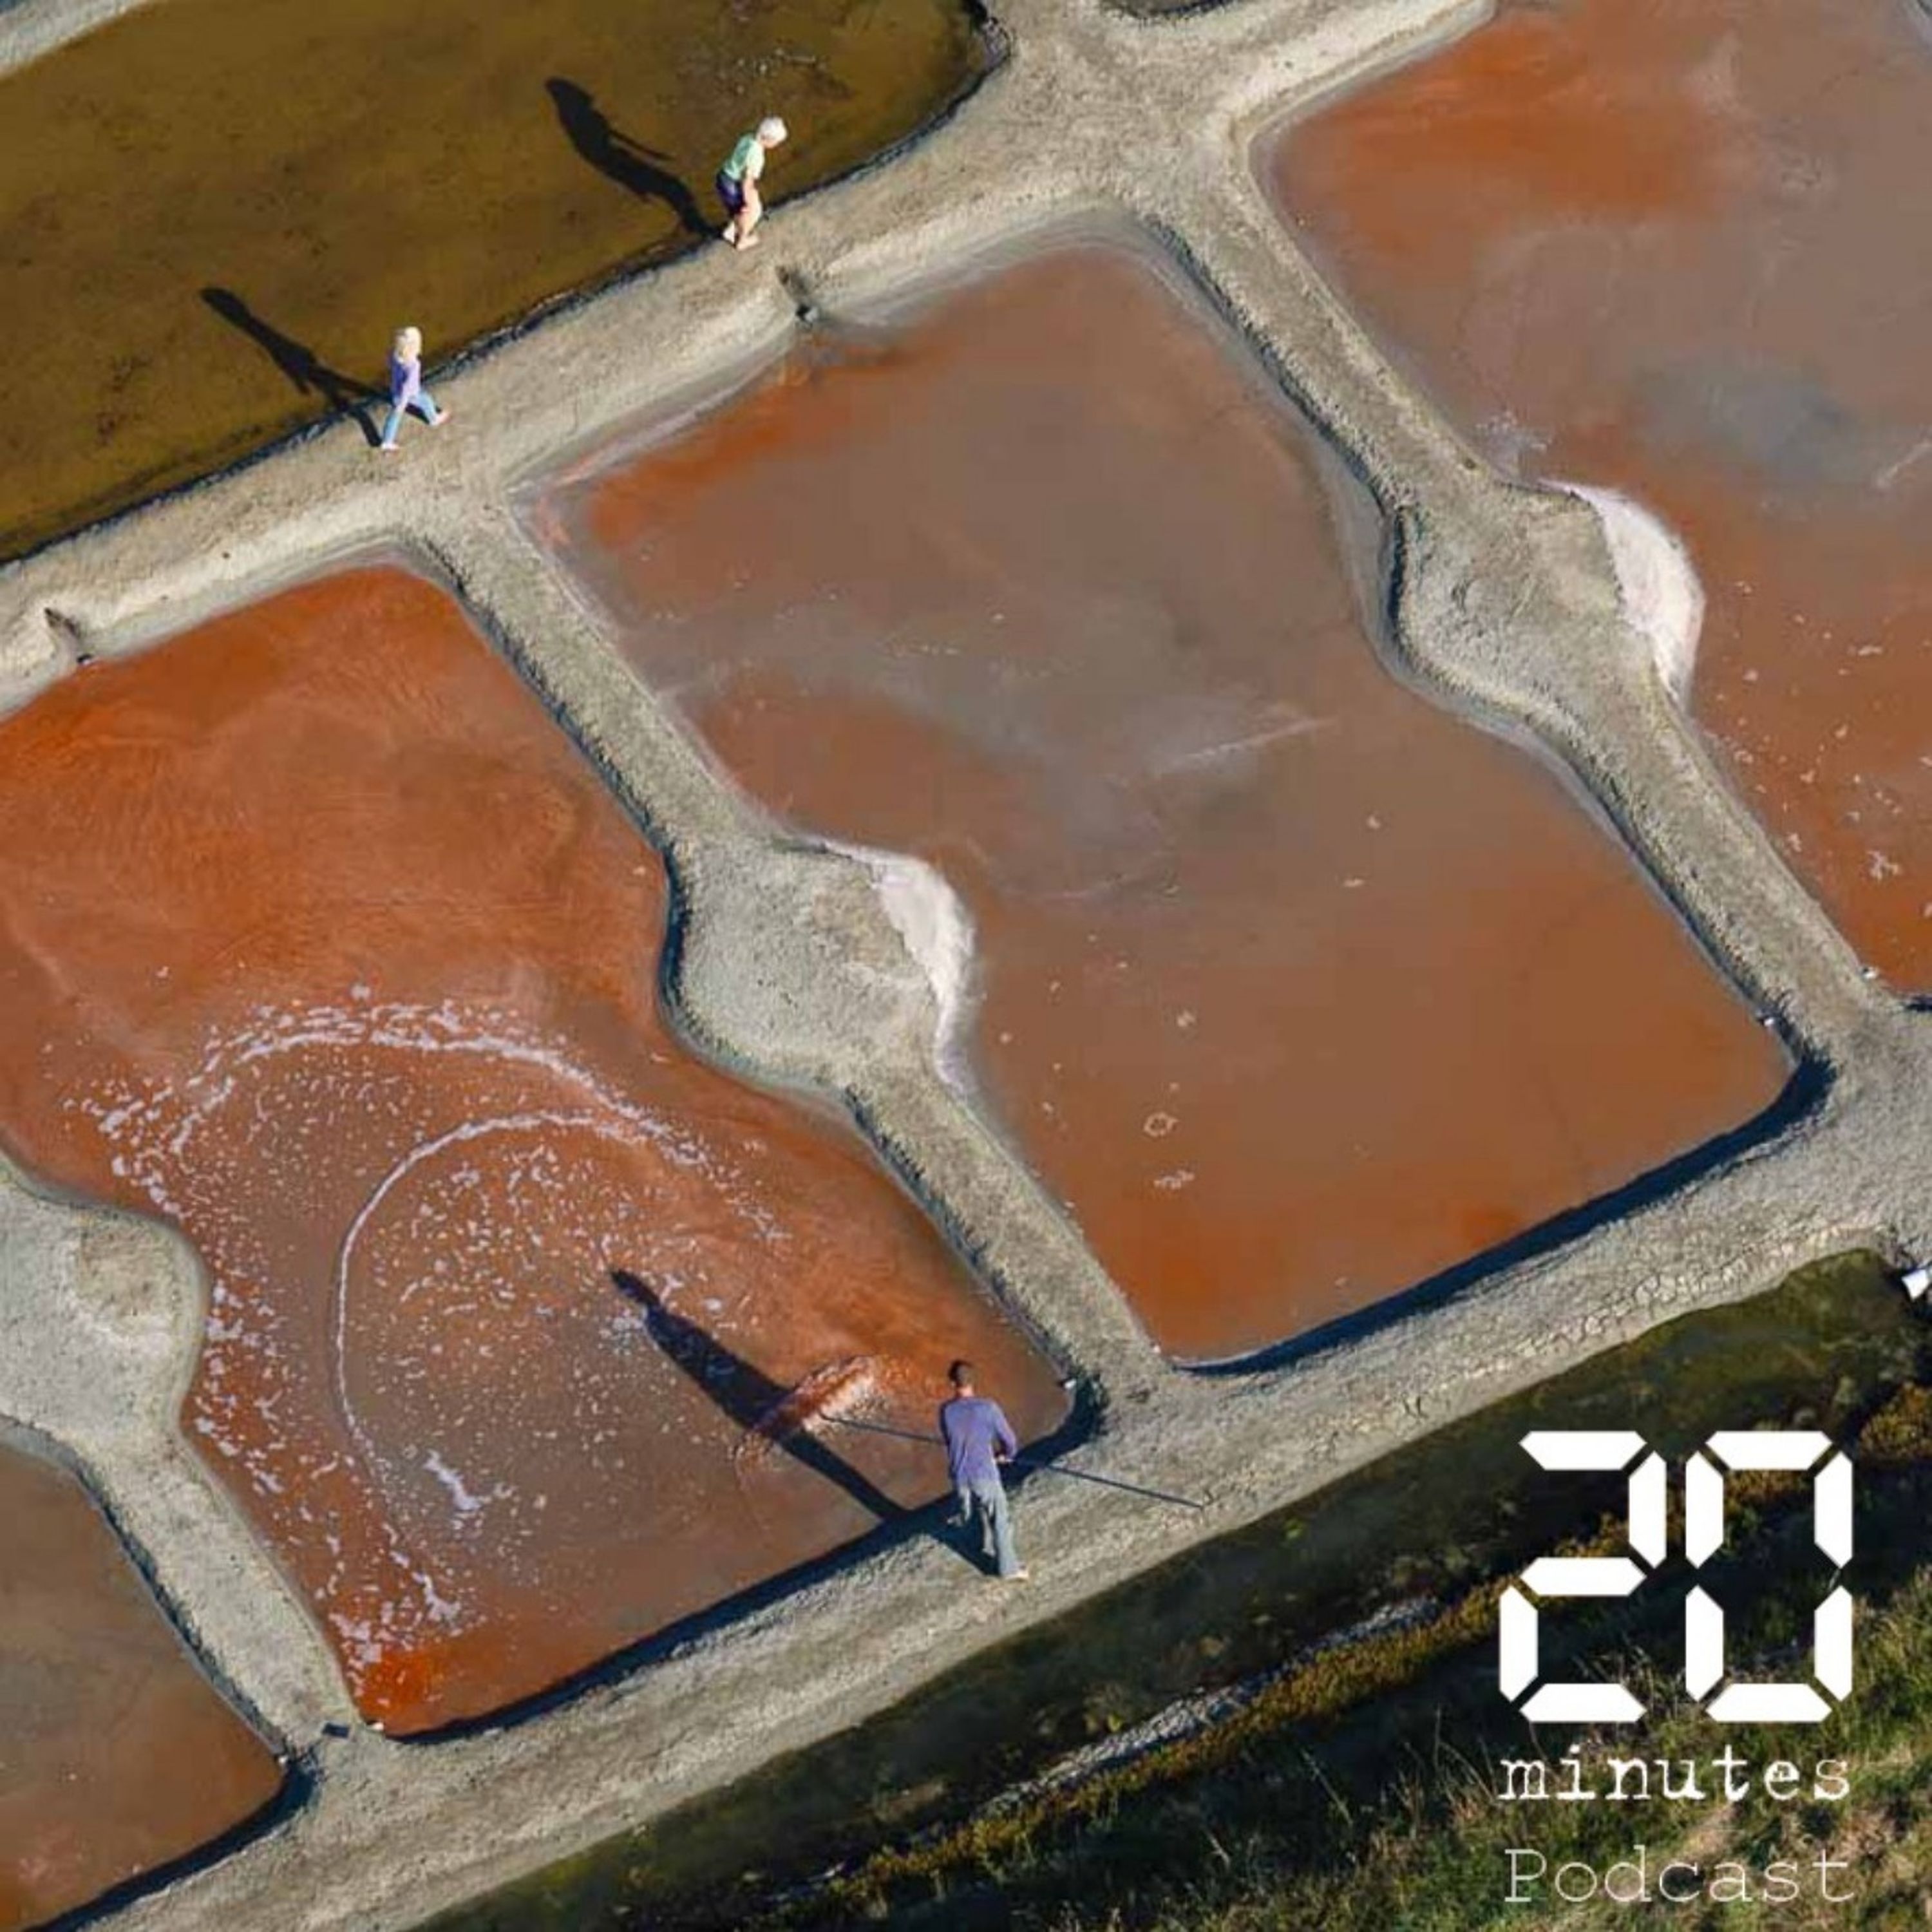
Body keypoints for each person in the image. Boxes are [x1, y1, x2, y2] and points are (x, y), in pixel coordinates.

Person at [939, 1359, 1028, 1582]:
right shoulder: (988, 1408)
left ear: (952, 1383)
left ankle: (975, 1551)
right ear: (973, 1382)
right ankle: (1009, 1570)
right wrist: (1006, 1455)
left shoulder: (946, 1411)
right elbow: (1010, 1440)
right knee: (999, 1519)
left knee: (970, 1518)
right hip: (984, 1473)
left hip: (960, 1476)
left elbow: (951, 1439)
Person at [717, 116, 788, 252]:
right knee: (752, 212)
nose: (776, 145)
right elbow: (747, 181)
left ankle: (731, 230)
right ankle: (742, 241)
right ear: (769, 140)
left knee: (738, 208)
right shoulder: (757, 156)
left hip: (724, 176)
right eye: (776, 142)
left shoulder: (748, 138)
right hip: (733, 184)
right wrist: (747, 202)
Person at [378, 325, 449, 452]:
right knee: (426, 401)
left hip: (395, 391)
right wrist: (403, 403)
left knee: (394, 417)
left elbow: (389, 361)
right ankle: (434, 419)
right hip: (410, 394)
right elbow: (408, 387)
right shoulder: (414, 365)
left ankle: (387, 441)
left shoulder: (395, 356)